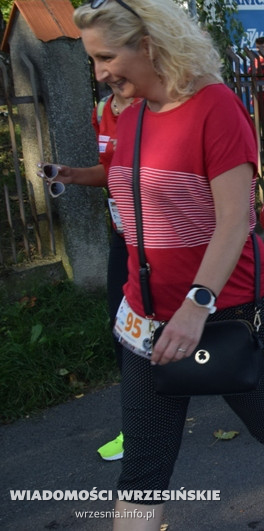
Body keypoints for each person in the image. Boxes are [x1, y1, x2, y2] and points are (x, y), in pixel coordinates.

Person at [74, 0, 264, 531]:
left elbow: (236, 218)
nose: (100, 73)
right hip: (148, 317)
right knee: (143, 467)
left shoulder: (215, 106)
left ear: (146, 42)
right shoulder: (131, 115)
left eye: (106, 57)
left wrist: (196, 305)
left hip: (229, 305)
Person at [47, 86, 138, 462]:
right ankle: (136, 427)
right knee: (123, 329)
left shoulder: (155, 102)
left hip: (163, 235)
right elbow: (111, 172)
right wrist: (71, 176)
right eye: (97, 58)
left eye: (110, 57)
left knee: (205, 327)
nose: (103, 70)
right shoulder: (102, 108)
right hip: (123, 235)